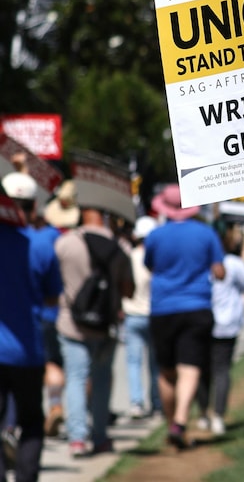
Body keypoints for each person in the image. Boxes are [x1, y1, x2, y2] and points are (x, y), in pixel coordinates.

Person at [145, 184, 225, 449]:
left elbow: (150, 265)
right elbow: (219, 271)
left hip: (163, 308)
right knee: (190, 366)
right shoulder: (206, 233)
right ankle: (180, 421)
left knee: (167, 372)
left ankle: (173, 426)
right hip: (196, 306)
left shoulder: (155, 236)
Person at [55, 207, 134, 458]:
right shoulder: (120, 247)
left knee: (76, 378)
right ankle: (100, 437)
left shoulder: (66, 243)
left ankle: (77, 438)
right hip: (105, 325)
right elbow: (129, 290)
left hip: (71, 323)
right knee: (101, 380)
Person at [0, 172, 63, 481]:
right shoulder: (41, 246)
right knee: (31, 422)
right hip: (28, 351)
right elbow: (53, 297)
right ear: (34, 206)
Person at [195, 224, 244, 436]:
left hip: (203, 321)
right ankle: (217, 417)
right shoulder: (232, 263)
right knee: (221, 370)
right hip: (225, 324)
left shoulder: (201, 261)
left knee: (203, 370)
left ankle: (204, 414)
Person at [39, 180, 81, 437]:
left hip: (47, 313)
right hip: (76, 313)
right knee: (78, 368)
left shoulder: (42, 239)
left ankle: (55, 406)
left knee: (52, 363)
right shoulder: (79, 239)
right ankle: (81, 416)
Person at [122, 216, 162, 419]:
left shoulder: (129, 256)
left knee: (133, 362)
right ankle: (157, 403)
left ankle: (136, 403)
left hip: (132, 314)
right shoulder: (157, 258)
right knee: (155, 363)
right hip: (153, 314)